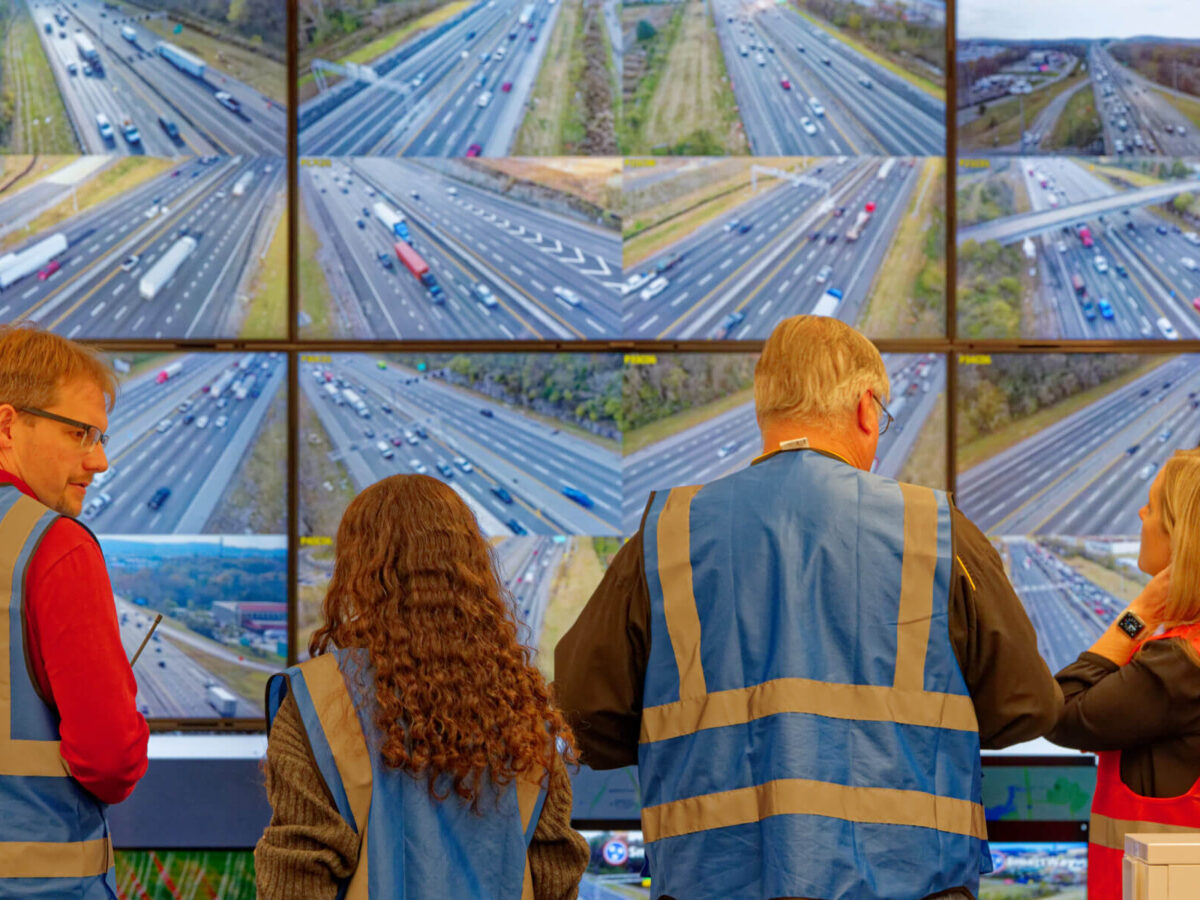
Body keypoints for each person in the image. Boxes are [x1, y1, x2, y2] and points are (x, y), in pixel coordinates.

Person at [555, 316, 1062, 900]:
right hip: (913, 887)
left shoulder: (666, 533)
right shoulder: (936, 529)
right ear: (868, 409)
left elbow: (578, 714)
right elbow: (1027, 707)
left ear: (764, 413)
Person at [256, 474, 589, 899]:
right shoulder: (521, 706)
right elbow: (556, 873)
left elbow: (295, 876)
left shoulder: (319, 699)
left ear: (357, 570)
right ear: (471, 567)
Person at [0, 323, 149, 895]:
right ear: (10, 425)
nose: (100, 461)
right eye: (81, 434)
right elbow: (110, 760)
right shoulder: (54, 547)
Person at [1048, 448, 1200, 898]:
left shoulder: (1179, 667)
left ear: (1181, 538)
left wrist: (1139, 612)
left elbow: (1059, 711)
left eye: (1152, 508)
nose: (1140, 513)